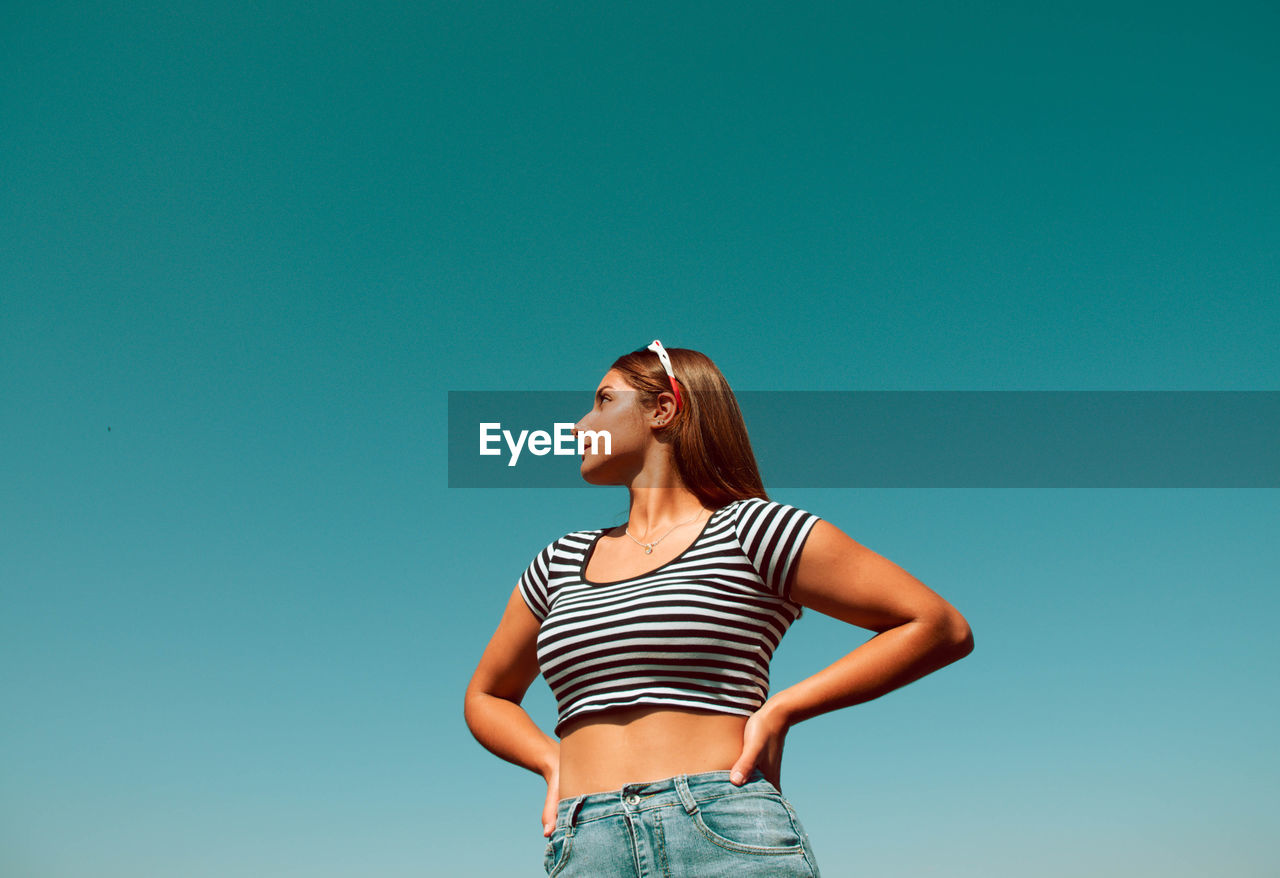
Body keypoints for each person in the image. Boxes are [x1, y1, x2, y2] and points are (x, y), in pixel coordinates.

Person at [464, 340, 974, 877]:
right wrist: (551, 761)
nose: (577, 426)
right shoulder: (559, 560)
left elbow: (936, 624)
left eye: (602, 400)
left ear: (663, 409)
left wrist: (783, 709)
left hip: (722, 826)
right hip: (587, 840)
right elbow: (487, 695)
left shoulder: (751, 530)